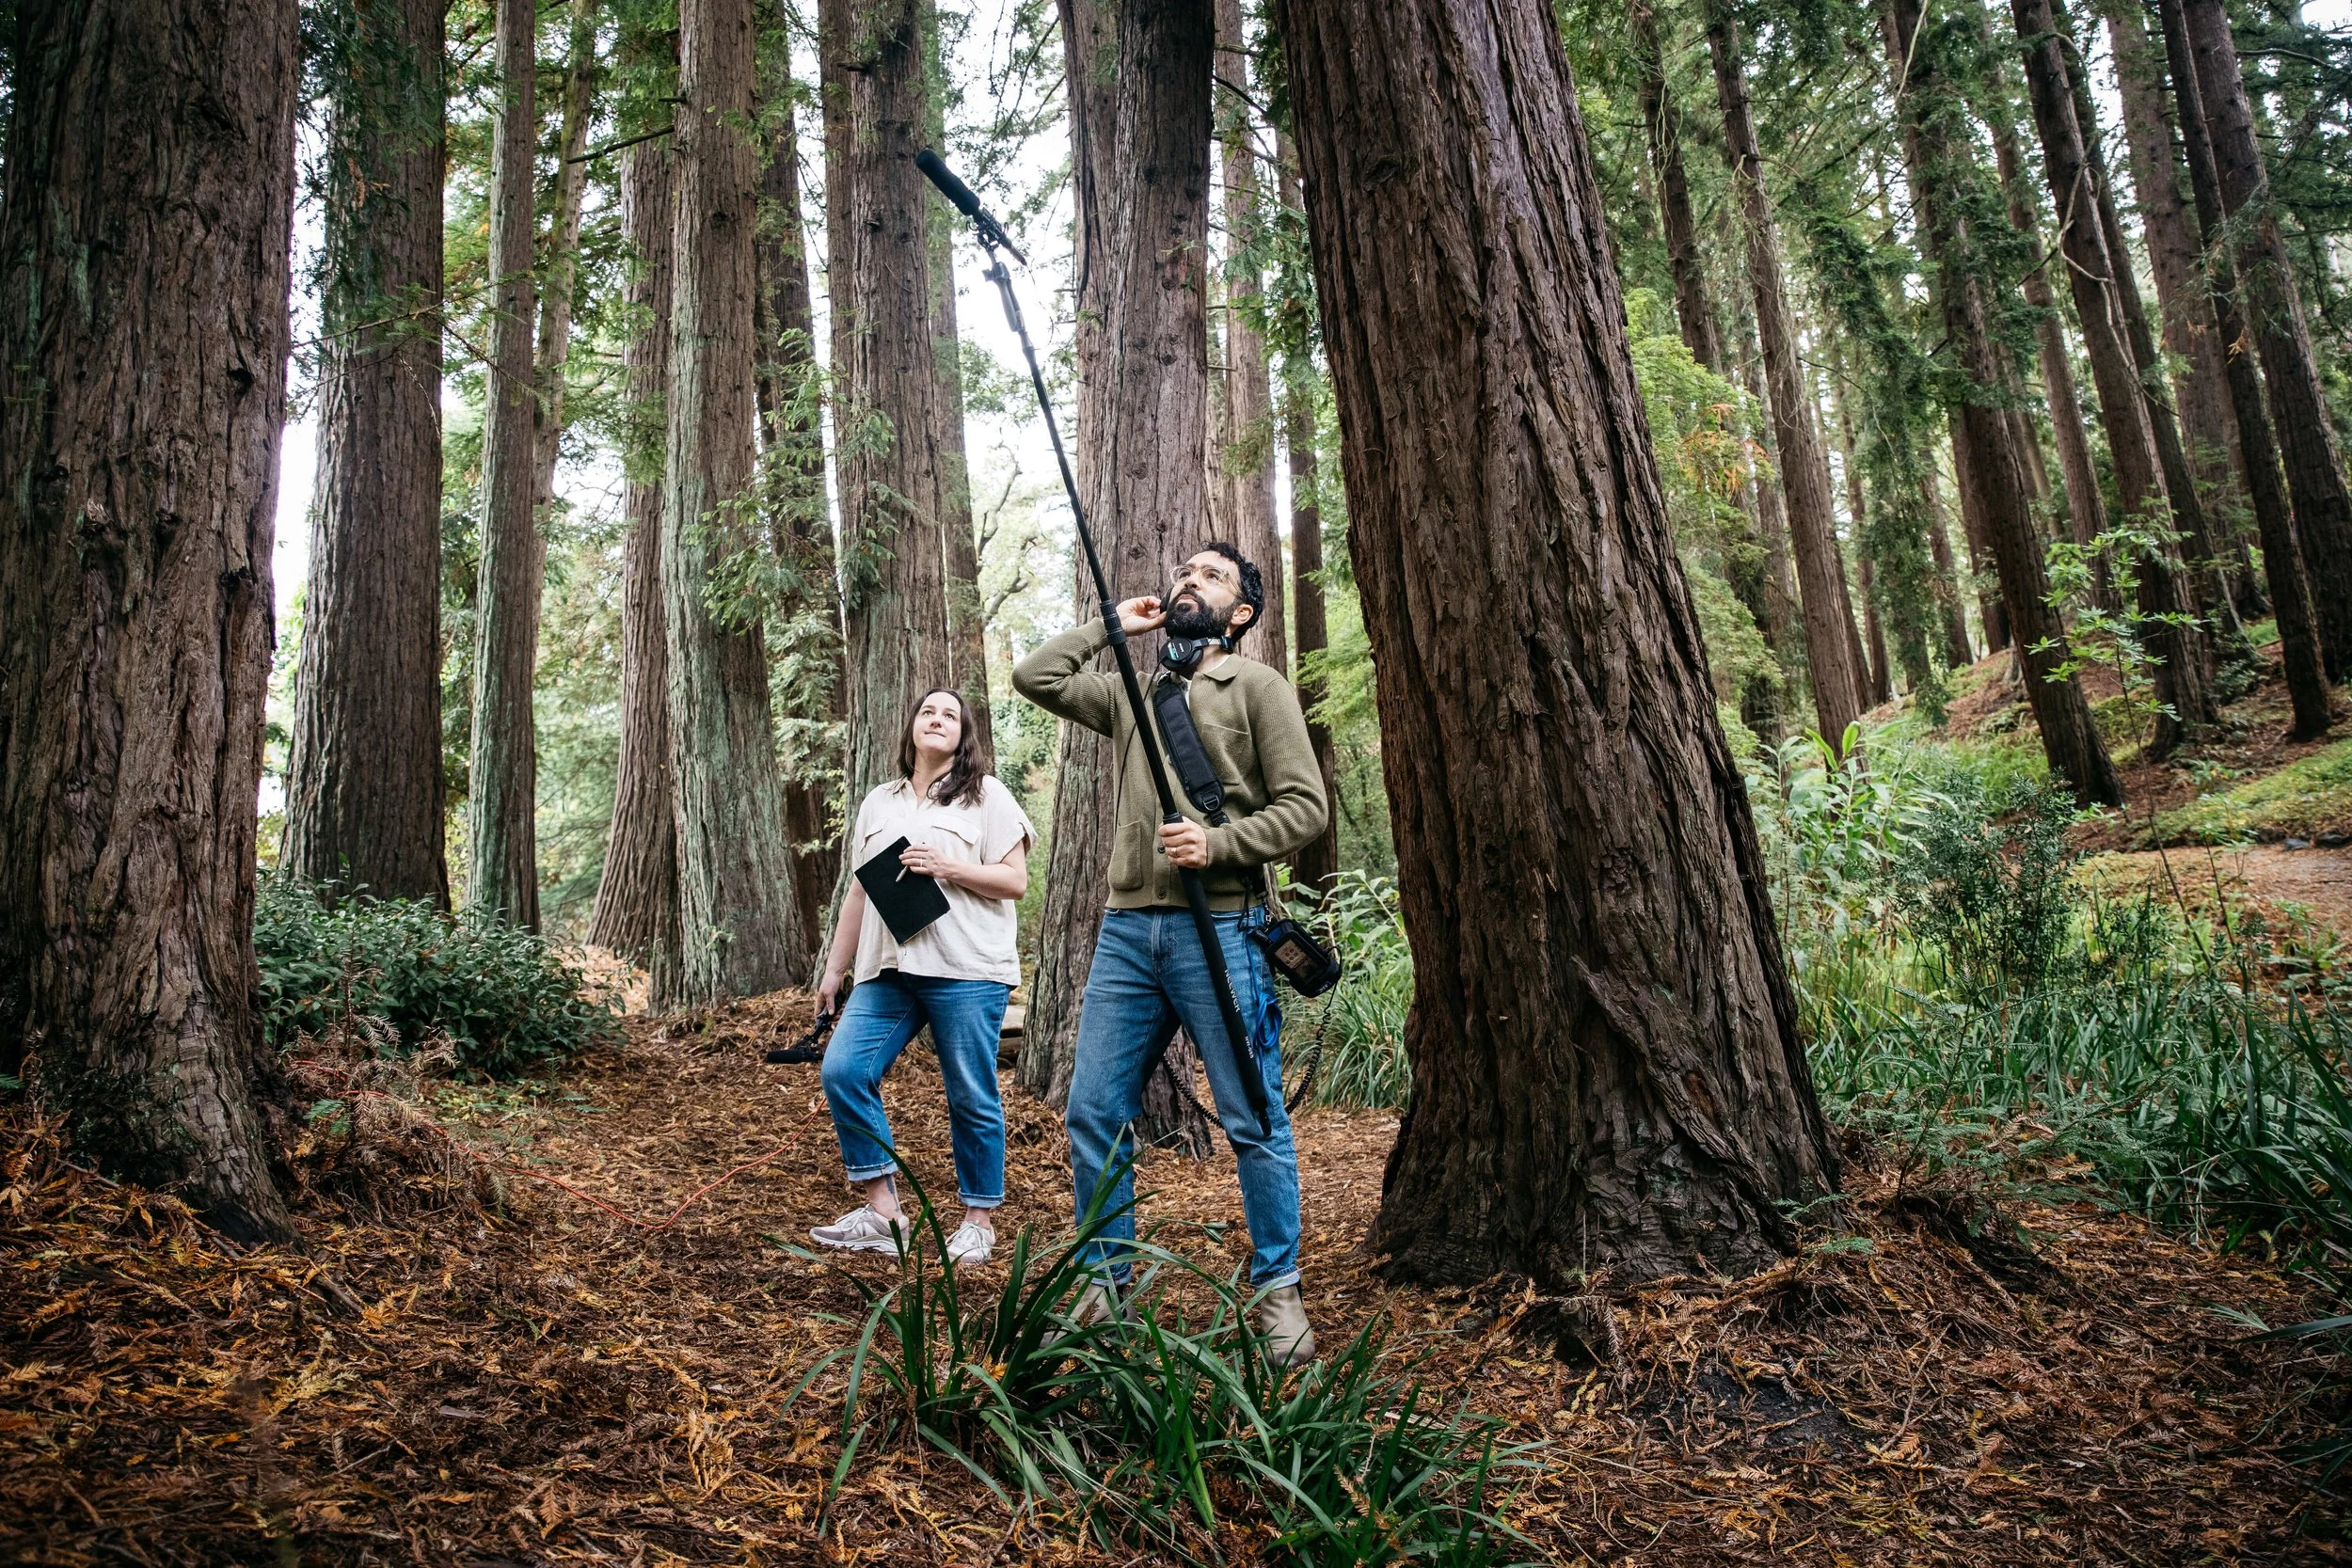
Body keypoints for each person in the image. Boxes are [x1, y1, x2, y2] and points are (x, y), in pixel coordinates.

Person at [1011, 544, 1328, 1367]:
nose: (1189, 580)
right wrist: (1111, 624)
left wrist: (1221, 842)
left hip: (1219, 928)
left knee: (1252, 1117)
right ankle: (1104, 1287)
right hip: (1126, 932)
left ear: (1242, 613)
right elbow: (1036, 677)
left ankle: (1278, 1289)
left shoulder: (1258, 687)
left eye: (1211, 576)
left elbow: (1305, 809)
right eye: (1184, 571)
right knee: (1093, 1109)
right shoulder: (1130, 690)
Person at [808, 689, 1036, 1269]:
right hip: (887, 968)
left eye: (951, 716)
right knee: (844, 1069)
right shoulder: (878, 802)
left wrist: (947, 866)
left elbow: (1015, 882)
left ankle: (978, 1221)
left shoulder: (986, 797)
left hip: (966, 967)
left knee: (970, 1091)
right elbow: (859, 891)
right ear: (911, 726)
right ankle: (885, 1216)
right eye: (928, 712)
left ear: (965, 735)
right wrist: (835, 971)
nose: (937, 720)